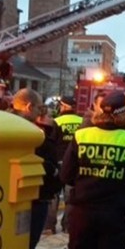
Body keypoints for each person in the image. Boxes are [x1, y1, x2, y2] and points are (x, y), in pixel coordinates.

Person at [60, 91, 125, 249]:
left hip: (82, 211)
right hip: (116, 213)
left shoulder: (81, 136)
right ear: (124, 113)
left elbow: (66, 175)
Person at [11, 88, 60, 249]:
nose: (41, 113)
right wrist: (52, 170)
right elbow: (47, 166)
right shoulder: (33, 134)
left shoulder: (4, 125)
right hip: (34, 197)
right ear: (29, 107)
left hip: (7, 196)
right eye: (40, 108)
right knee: (26, 245)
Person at [46, 96, 83, 234]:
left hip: (59, 162)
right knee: (71, 197)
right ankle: (68, 225)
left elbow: (51, 142)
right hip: (75, 164)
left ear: (64, 107)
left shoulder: (56, 122)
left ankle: (49, 226)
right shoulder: (81, 122)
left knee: (54, 196)